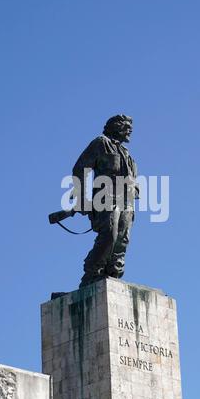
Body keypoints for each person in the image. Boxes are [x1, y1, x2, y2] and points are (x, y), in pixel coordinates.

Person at [72, 114, 139, 287]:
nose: (129, 130)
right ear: (114, 127)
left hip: (127, 200)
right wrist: (81, 199)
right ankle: (92, 274)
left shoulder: (126, 154)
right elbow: (80, 168)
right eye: (125, 126)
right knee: (109, 233)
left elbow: (133, 178)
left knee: (122, 238)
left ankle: (113, 273)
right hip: (106, 197)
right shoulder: (101, 143)